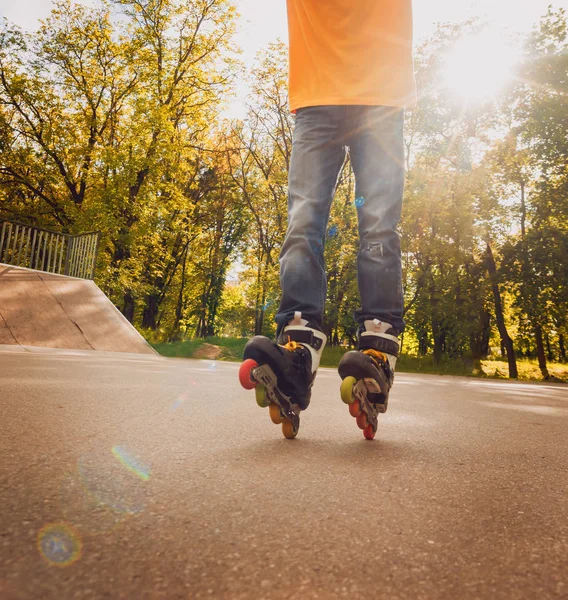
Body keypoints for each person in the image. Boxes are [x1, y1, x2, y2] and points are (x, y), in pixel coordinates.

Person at [241, 0, 416, 437]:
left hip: (380, 96)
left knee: (378, 225)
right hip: (317, 99)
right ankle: (298, 349)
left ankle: (378, 348)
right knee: (302, 224)